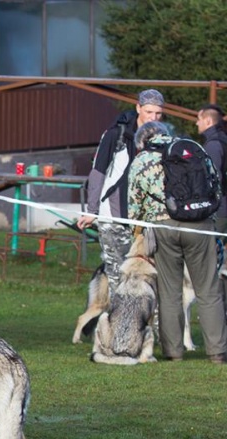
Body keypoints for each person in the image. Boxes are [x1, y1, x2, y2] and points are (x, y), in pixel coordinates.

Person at [127, 121, 227, 363]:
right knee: (209, 289)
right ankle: (218, 352)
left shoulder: (141, 161)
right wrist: (208, 220)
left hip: (164, 229)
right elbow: (215, 186)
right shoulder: (193, 150)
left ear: (143, 142)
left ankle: (173, 353)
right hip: (200, 226)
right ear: (166, 134)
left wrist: (138, 233)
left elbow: (134, 207)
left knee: (170, 292)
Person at [77, 89, 165, 297]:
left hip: (146, 221)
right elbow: (98, 171)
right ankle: (116, 328)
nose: (153, 118)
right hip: (113, 216)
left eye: (158, 114)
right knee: (118, 278)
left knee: (150, 279)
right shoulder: (115, 134)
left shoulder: (163, 136)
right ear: (138, 108)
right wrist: (92, 210)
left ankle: (148, 328)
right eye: (149, 112)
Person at [196, 104, 227, 311]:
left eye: (198, 119)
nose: (196, 123)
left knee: (215, 263)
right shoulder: (221, 141)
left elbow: (211, 179)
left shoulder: (213, 145)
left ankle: (218, 310)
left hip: (220, 210)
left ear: (207, 121)